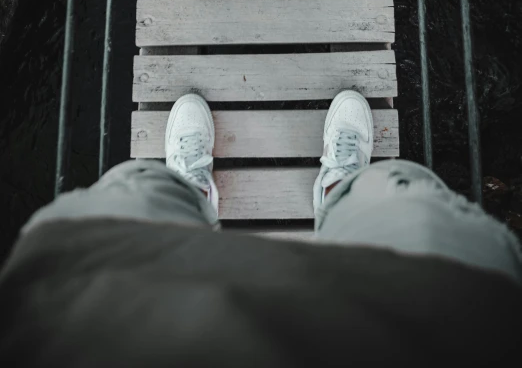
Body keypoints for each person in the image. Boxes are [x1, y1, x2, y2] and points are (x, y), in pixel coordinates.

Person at [0, 90, 521, 367]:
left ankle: (193, 196)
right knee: (407, 200)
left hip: (108, 326)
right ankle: (341, 194)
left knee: (127, 196)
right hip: (425, 325)